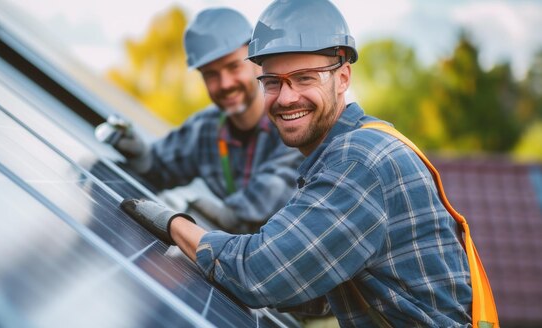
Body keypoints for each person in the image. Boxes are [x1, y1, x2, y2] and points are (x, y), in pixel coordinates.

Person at [121, 0, 479, 326]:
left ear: (342, 78)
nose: (287, 97)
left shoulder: (359, 160)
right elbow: (321, 292)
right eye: (273, 82)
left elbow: (255, 274)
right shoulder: (341, 150)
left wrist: (173, 225)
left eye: (305, 78)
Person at [96, 7, 303, 233]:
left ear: (257, 61)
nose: (225, 84)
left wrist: (202, 216)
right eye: (211, 74)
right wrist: (139, 154)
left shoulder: (294, 122)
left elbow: (255, 209)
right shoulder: (206, 129)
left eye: (233, 67)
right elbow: (158, 168)